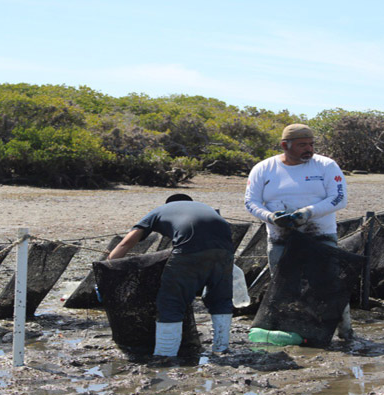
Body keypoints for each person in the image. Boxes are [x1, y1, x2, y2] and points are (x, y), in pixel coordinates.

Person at [243, 123, 353, 339]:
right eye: (302, 145)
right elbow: (251, 202)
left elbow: (339, 198)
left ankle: (345, 331)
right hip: (280, 239)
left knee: (329, 284)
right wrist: (271, 217)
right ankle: (293, 330)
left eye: (311, 144)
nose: (309, 149)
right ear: (285, 145)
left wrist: (307, 213)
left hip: (321, 236)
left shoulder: (326, 166)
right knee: (284, 287)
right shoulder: (264, 168)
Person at [107, 193, 235, 356]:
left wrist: (108, 264)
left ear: (168, 203)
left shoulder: (160, 210)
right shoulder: (207, 208)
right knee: (221, 298)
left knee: (171, 301)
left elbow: (127, 242)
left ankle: (165, 355)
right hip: (225, 251)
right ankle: (221, 348)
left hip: (189, 250)